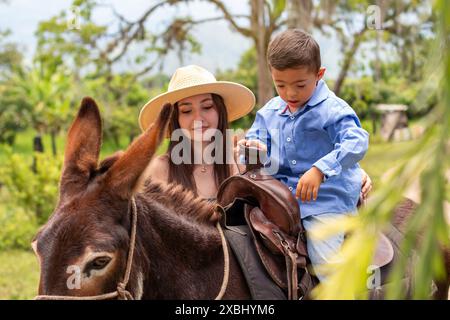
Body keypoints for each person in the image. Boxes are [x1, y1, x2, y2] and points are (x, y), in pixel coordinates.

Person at [238, 29, 370, 282]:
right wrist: (252, 149)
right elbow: (256, 141)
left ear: (319, 75)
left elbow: (357, 141)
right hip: (280, 199)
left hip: (325, 202)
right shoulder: (269, 112)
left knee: (325, 262)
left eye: (300, 85)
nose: (290, 93)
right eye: (281, 85)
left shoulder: (332, 110)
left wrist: (320, 170)